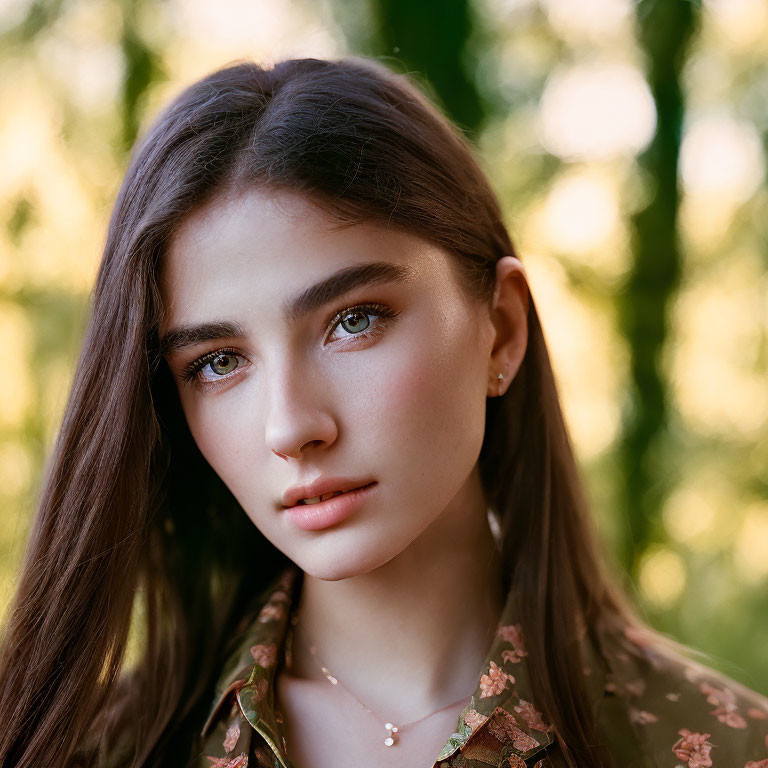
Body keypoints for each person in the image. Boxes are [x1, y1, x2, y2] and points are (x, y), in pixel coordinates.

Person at [0, 56, 766, 768]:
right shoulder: (92, 751)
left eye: (354, 320)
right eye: (219, 362)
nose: (291, 426)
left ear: (499, 327)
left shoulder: (722, 749)